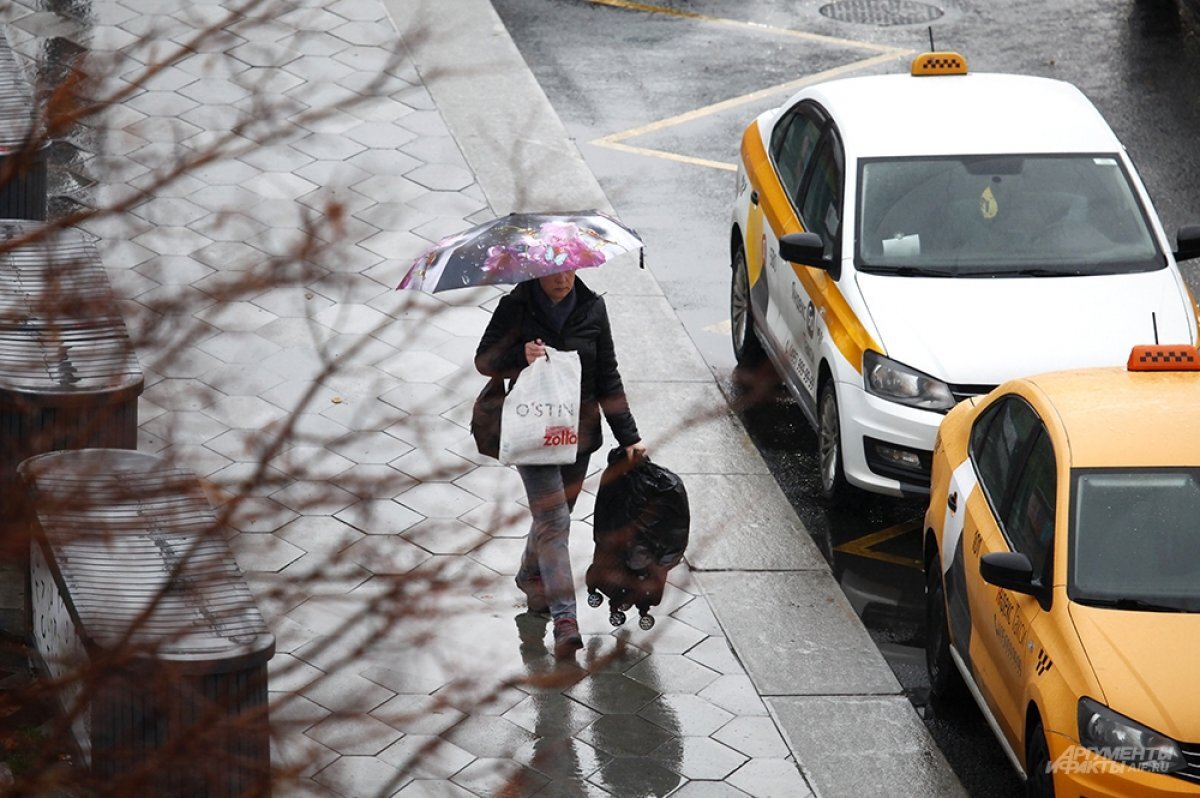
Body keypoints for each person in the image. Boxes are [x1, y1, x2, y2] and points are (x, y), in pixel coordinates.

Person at [475, 270, 646, 658]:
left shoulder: (592, 308)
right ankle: (565, 619)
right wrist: (520, 356)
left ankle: (529, 573)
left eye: (569, 270)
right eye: (554, 273)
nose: (563, 279)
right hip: (532, 434)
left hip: (578, 436)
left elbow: (607, 376)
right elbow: (484, 361)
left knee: (554, 517)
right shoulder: (516, 306)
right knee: (555, 522)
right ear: (538, 271)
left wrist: (630, 437)